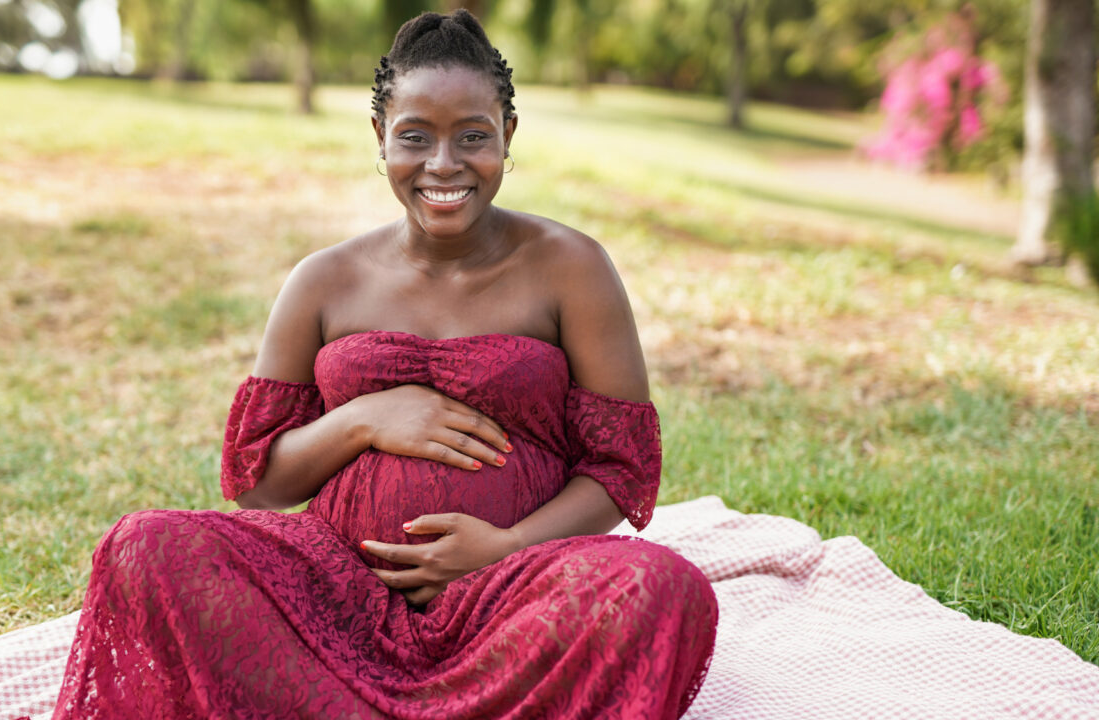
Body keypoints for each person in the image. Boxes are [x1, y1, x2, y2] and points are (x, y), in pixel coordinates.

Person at [51, 10, 716, 719]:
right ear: (380, 138)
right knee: (144, 546)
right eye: (415, 138)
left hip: (514, 589)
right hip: (332, 593)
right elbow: (258, 483)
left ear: (507, 137)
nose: (443, 165)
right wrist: (365, 419)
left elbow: (620, 469)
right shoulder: (324, 280)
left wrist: (506, 547)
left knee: (662, 587)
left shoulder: (570, 268)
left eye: (472, 137)